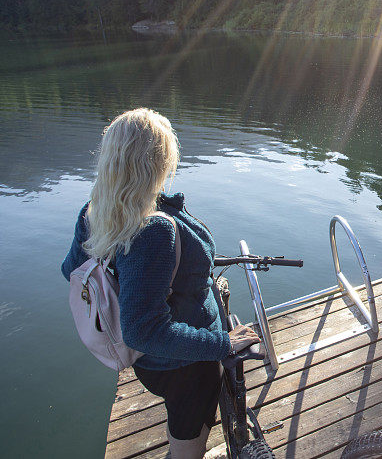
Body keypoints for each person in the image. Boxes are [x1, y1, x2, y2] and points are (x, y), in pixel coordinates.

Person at [61, 108, 261, 459]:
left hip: (153, 364)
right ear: (158, 161)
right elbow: (142, 331)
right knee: (187, 448)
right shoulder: (152, 230)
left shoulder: (95, 211)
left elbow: (74, 272)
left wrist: (134, 281)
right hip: (184, 367)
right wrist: (221, 344)